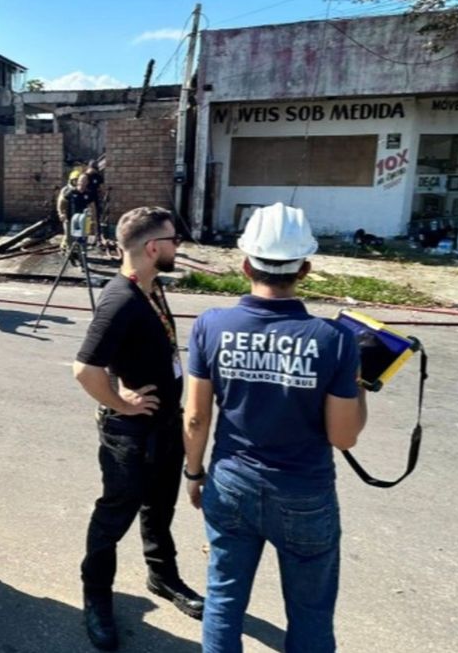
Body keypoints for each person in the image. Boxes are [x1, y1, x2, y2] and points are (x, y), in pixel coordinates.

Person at [183, 203, 366, 653]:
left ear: (245, 264)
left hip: (231, 485)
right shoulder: (335, 340)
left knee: (224, 600)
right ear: (305, 268)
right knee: (310, 613)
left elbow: (195, 416)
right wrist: (359, 382)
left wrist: (192, 473)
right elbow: (344, 436)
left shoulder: (211, 326)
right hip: (304, 494)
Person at [73, 206, 204, 651]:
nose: (178, 247)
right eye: (174, 240)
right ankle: (95, 595)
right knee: (115, 514)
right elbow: (84, 369)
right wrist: (120, 404)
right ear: (153, 248)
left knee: (159, 507)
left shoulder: (150, 287)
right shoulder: (120, 299)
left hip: (162, 426)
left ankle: (161, 576)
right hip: (129, 435)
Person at [58, 171, 99, 247]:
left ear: (87, 182)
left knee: (83, 240)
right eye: (81, 180)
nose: (82, 182)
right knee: (69, 240)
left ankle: (82, 255)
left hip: (84, 220)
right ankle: (69, 253)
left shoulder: (89, 194)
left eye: (85, 181)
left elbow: (93, 208)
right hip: (70, 219)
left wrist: (93, 221)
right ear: (78, 182)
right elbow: (61, 202)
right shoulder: (71, 192)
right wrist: (61, 213)